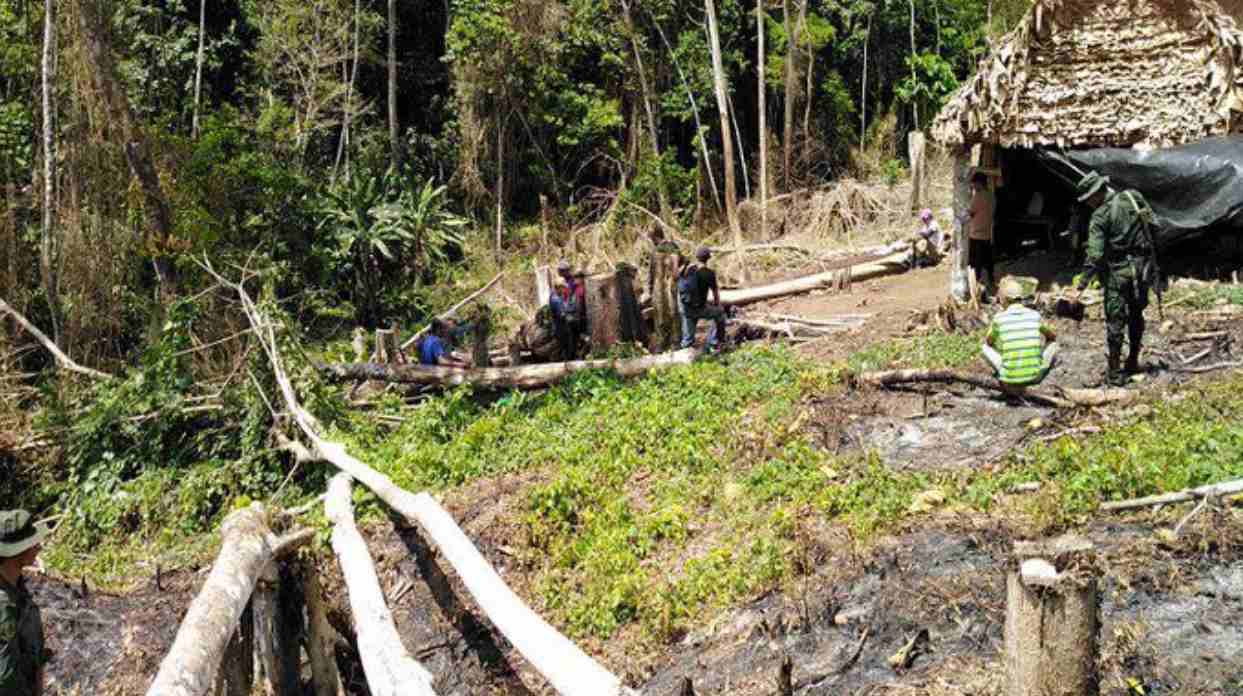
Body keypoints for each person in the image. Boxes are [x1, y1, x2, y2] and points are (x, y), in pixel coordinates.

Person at [1068, 171, 1157, 386]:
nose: (1088, 203)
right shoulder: (1133, 197)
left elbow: (1095, 255)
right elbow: (1153, 225)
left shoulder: (1100, 217)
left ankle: (1115, 373)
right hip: (1141, 269)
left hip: (1118, 274)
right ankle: (1133, 360)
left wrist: (1081, 285)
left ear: (1096, 193)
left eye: (1088, 199)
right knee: (1137, 315)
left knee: (1115, 321)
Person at [0, 510, 50, 696]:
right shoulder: (4, 605)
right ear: (15, 552)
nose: (38, 547)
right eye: (31, 543)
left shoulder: (15, 585)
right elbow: (5, 679)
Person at [981, 277, 1059, 389]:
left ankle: (1007, 371)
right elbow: (1052, 336)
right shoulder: (1034, 315)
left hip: (1008, 378)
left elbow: (988, 342)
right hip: (1035, 377)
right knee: (1053, 345)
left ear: (1004, 299)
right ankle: (1033, 369)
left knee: (985, 348)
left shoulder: (999, 318)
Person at [680, 247, 728, 351]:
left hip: (687, 308)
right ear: (708, 258)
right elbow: (715, 294)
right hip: (701, 308)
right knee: (720, 314)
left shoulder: (688, 270)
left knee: (688, 336)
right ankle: (713, 342)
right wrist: (717, 305)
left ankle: (685, 349)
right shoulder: (709, 273)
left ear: (696, 257)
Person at [965, 172, 996, 300]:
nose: (972, 186)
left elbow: (970, 212)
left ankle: (976, 286)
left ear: (978, 183)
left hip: (976, 234)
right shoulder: (992, 196)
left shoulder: (978, 196)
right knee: (988, 261)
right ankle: (991, 281)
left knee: (975, 263)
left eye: (973, 183)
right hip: (987, 233)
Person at [549, 260, 587, 360]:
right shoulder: (556, 298)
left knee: (571, 344)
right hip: (562, 324)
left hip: (571, 319)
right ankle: (569, 364)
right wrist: (571, 313)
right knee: (568, 346)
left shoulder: (572, 287)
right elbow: (562, 312)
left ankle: (571, 359)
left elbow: (573, 304)